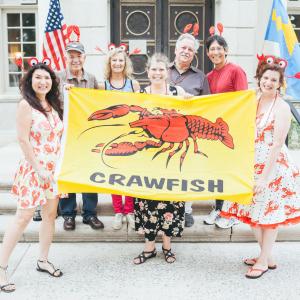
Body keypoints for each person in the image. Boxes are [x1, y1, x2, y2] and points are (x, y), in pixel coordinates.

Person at [220, 61, 300, 279]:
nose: (268, 82)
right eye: (265, 78)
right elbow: (224, 106)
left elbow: (276, 144)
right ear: (259, 78)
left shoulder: (282, 107)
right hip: (250, 162)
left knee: (269, 213)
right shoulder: (251, 99)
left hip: (272, 167)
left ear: (280, 83)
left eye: (274, 80)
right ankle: (267, 256)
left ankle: (263, 260)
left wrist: (264, 178)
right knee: (253, 212)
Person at [0, 63, 64, 293]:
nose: (43, 82)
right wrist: (38, 169)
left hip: (53, 171)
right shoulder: (26, 105)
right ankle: (1, 267)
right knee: (22, 217)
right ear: (30, 80)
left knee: (49, 216)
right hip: (34, 169)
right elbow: (23, 140)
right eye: (38, 78)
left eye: (47, 78)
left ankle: (43, 260)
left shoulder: (53, 105)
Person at [133, 53, 186, 265]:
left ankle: (167, 246)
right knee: (147, 201)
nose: (157, 73)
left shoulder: (178, 92)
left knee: (170, 201)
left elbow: (195, 108)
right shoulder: (140, 93)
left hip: (171, 156)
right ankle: (149, 248)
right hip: (147, 155)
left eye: (161, 69)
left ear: (167, 72)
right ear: (148, 72)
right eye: (153, 69)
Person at [56, 41, 104, 231]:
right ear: (66, 58)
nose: (75, 60)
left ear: (85, 58)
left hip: (85, 135)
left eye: (79, 56)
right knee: (67, 174)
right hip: (64, 134)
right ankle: (68, 214)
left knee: (89, 172)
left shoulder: (91, 79)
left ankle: (90, 214)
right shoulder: (58, 78)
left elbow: (96, 105)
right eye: (71, 56)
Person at [203, 34, 248, 229]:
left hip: (233, 130)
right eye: (212, 49)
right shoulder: (208, 77)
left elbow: (243, 101)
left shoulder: (236, 71)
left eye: (219, 48)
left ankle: (234, 212)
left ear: (226, 50)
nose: (215, 52)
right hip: (215, 132)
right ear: (207, 53)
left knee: (231, 171)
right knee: (218, 172)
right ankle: (219, 208)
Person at [169, 33, 211, 227]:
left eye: (190, 50)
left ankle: (186, 210)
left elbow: (207, 105)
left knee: (187, 170)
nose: (186, 52)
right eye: (183, 48)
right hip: (165, 129)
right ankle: (168, 207)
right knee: (167, 169)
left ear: (194, 54)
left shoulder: (200, 77)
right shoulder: (163, 71)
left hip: (189, 131)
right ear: (176, 49)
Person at [99, 47, 140, 230]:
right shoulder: (103, 85)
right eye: (114, 60)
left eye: (120, 60)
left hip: (129, 134)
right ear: (109, 63)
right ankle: (118, 211)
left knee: (130, 173)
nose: (117, 63)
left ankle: (130, 211)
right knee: (114, 173)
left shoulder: (134, 84)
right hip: (110, 134)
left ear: (126, 63)